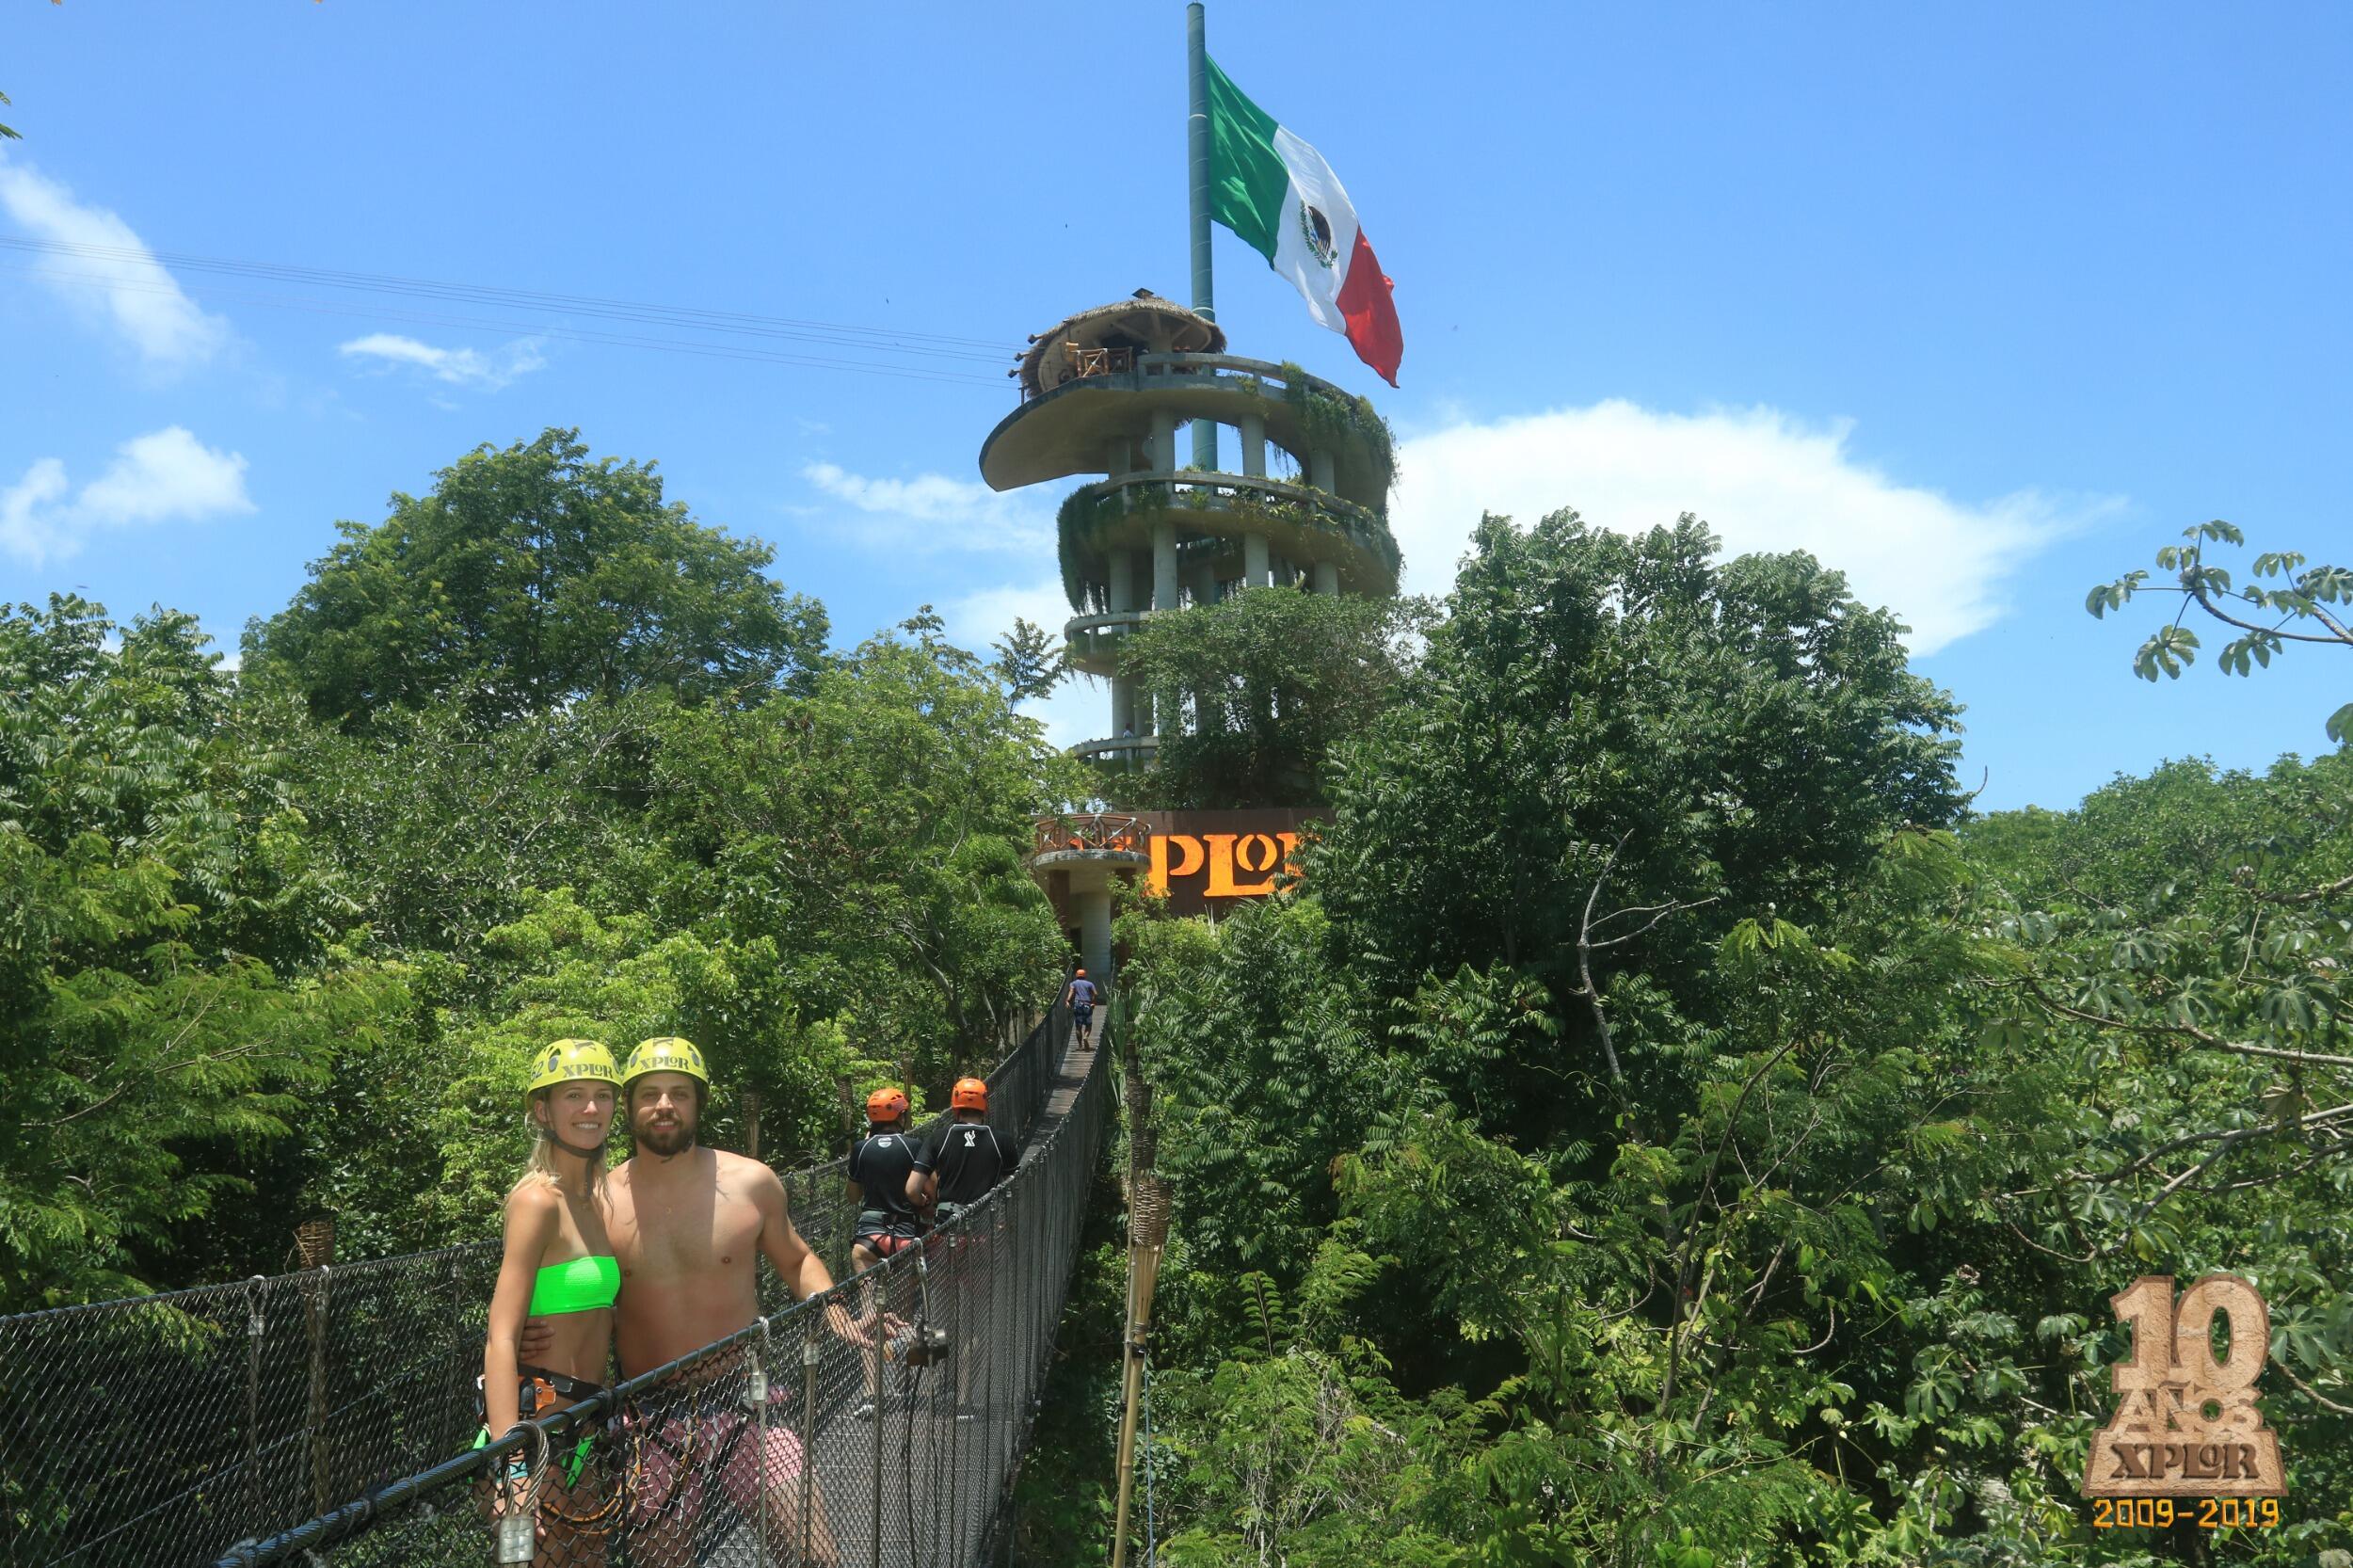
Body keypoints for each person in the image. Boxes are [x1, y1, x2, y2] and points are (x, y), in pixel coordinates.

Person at [584, 1036, 858, 1565]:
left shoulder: (752, 1182)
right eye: (650, 1094)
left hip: (745, 1402)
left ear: (699, 1104)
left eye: (679, 1094)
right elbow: (577, 1292)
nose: (664, 1105)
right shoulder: (598, 1200)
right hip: (650, 1417)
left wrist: (833, 1309)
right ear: (630, 1107)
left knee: (816, 1556)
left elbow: (797, 1259)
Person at [480, 1038, 621, 1566]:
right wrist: (510, 1465)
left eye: (603, 1095)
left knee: (591, 1558)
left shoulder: (597, 1199)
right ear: (543, 1110)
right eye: (574, 1096)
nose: (591, 1109)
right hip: (535, 1430)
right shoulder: (537, 1201)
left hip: (586, 1428)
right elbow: (501, 1336)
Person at [906, 1077, 1018, 1417]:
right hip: (984, 1239)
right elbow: (1013, 1188)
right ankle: (965, 1401)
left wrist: (930, 1201)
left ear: (954, 1105)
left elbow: (912, 1189)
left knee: (941, 1316)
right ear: (985, 1105)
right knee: (977, 1322)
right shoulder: (1001, 1142)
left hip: (944, 1238)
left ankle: (941, 1388)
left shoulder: (938, 1138)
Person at [846, 1086, 928, 1418]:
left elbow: (853, 1196)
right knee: (904, 1315)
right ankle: (907, 1385)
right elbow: (924, 1191)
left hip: (868, 1240)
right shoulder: (915, 1147)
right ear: (902, 1115)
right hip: (906, 1236)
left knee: (870, 1318)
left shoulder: (860, 1150)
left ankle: (871, 1395)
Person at [1063, 967, 1098, 1048]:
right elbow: (1095, 994)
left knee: (1078, 1027)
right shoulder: (1090, 984)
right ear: (1085, 975)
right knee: (1088, 1025)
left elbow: (1071, 992)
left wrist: (1067, 1001)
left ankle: (1080, 1045)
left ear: (1076, 975)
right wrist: (1093, 1002)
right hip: (1087, 1004)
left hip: (1077, 1004)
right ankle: (1086, 1037)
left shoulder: (1073, 983)